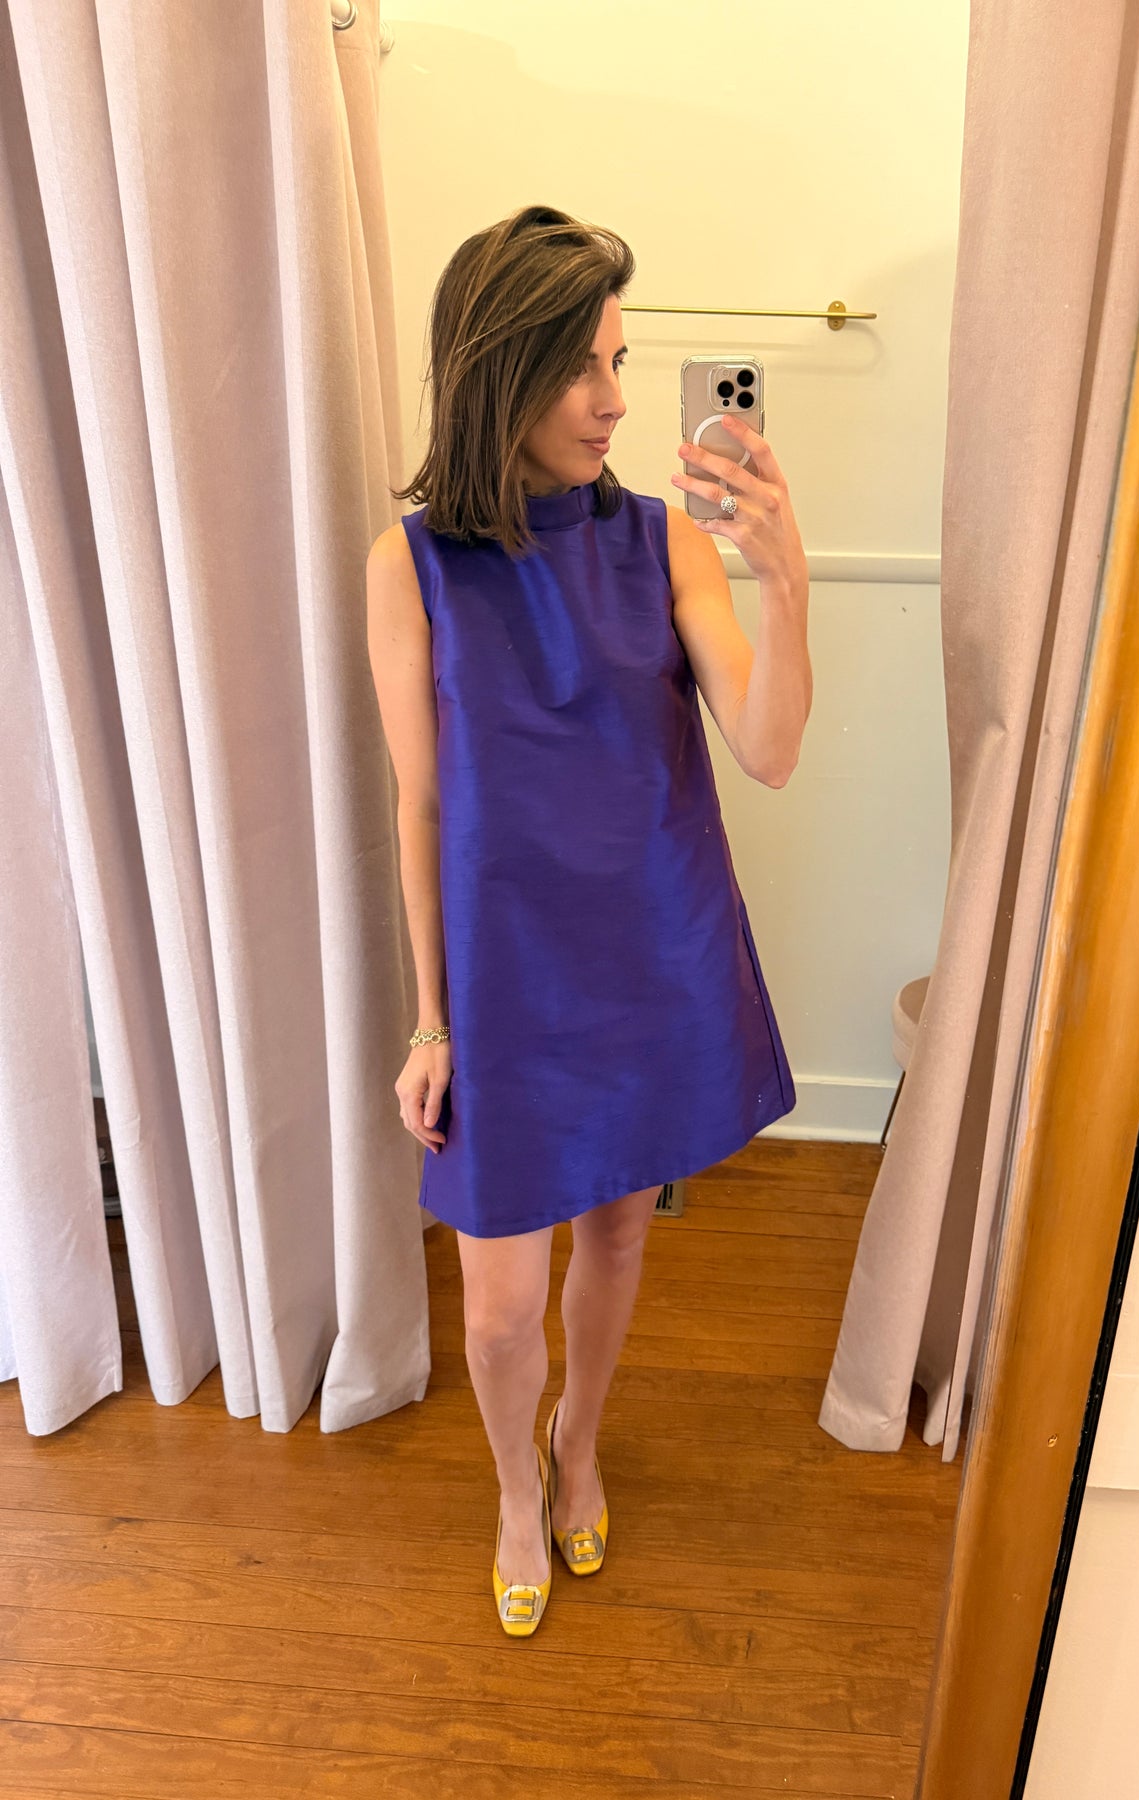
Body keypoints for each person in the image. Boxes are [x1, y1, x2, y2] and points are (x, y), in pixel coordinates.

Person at [365, 203, 811, 1638]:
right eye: (577, 366)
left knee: (617, 1240)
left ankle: (578, 1446)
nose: (612, 400)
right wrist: (429, 1019)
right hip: (506, 980)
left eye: (619, 360)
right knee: (498, 1310)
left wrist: (785, 580)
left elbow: (766, 747)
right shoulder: (411, 568)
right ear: (495, 371)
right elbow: (420, 809)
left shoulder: (665, 543)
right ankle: (514, 1484)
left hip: (647, 955)